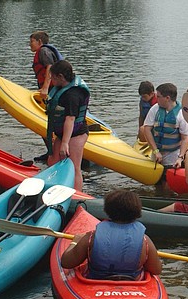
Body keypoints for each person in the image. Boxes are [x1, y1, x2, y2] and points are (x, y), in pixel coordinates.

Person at [61, 189, 162, 279]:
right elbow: (156, 270)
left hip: (96, 281)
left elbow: (66, 262)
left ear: (107, 210)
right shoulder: (145, 241)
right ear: (137, 211)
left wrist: (74, 242)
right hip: (132, 283)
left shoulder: (91, 237)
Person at [45, 60, 89, 191]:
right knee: (53, 162)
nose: (51, 80)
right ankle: (56, 189)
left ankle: (77, 199)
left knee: (74, 167)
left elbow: (70, 119)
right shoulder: (61, 88)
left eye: (52, 77)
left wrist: (65, 143)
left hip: (76, 134)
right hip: (63, 134)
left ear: (60, 77)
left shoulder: (73, 95)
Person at [140, 83, 188, 176]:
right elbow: (147, 129)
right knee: (156, 182)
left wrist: (180, 158)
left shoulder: (182, 114)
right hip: (156, 152)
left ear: (167, 98)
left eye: (158, 96)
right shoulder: (155, 109)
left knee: (167, 184)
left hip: (173, 154)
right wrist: (155, 151)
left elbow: (185, 138)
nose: (156, 98)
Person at [30, 31, 63, 162]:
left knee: (51, 121)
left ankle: (55, 152)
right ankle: (51, 151)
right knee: (44, 122)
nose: (29, 45)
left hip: (53, 91)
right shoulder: (43, 52)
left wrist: (45, 87)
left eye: (31, 41)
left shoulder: (43, 51)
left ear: (39, 42)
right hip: (50, 91)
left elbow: (50, 67)